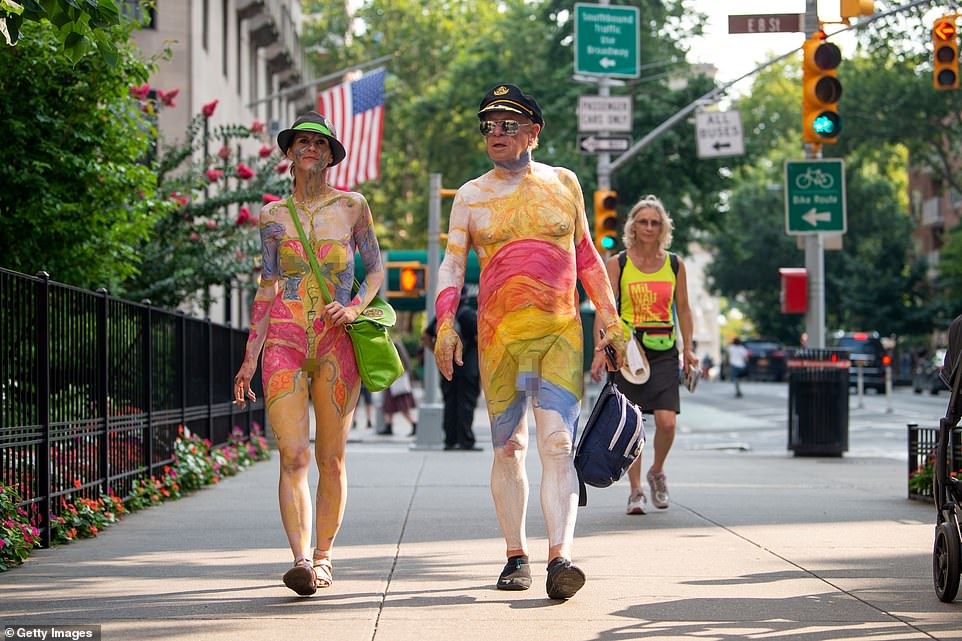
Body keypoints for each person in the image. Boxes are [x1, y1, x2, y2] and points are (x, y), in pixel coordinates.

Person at [432, 83, 626, 600]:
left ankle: (560, 558)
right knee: (508, 446)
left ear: (533, 133)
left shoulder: (565, 183)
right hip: (498, 339)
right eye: (489, 125)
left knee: (558, 445)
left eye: (508, 124)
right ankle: (515, 554)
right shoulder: (471, 196)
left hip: (560, 333)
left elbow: (585, 255)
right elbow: (452, 263)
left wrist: (611, 320)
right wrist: (446, 324)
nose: (496, 133)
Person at [232, 112, 385, 596]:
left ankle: (324, 557)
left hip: (336, 342)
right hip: (284, 338)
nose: (311, 149)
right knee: (292, 454)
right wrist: (249, 356)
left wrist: (356, 305)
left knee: (331, 458)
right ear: (291, 153)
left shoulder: (353, 206)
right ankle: (299, 559)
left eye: (320, 142)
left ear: (331, 154)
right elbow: (267, 283)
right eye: (302, 141)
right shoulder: (274, 215)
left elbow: (378, 269)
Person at [590, 195, 699, 516]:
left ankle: (657, 471)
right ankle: (635, 490)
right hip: (628, 351)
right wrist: (601, 350)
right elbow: (605, 309)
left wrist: (689, 347)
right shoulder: (618, 264)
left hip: (664, 349)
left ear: (663, 227)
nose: (649, 227)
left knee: (666, 421)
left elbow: (683, 308)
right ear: (633, 227)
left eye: (655, 222)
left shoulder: (674, 264)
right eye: (643, 222)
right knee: (632, 424)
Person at [422, 291, 482, 451]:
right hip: (468, 368)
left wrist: (437, 351)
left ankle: (450, 440)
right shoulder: (468, 314)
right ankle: (466, 440)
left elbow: (425, 335)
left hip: (448, 368)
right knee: (466, 404)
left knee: (450, 403)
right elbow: (480, 338)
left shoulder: (444, 317)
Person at [381, 341, 417, 436]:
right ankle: (388, 426)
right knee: (388, 407)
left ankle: (414, 424)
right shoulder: (403, 360)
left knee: (402, 408)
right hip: (395, 386)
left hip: (396, 386)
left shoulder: (396, 359)